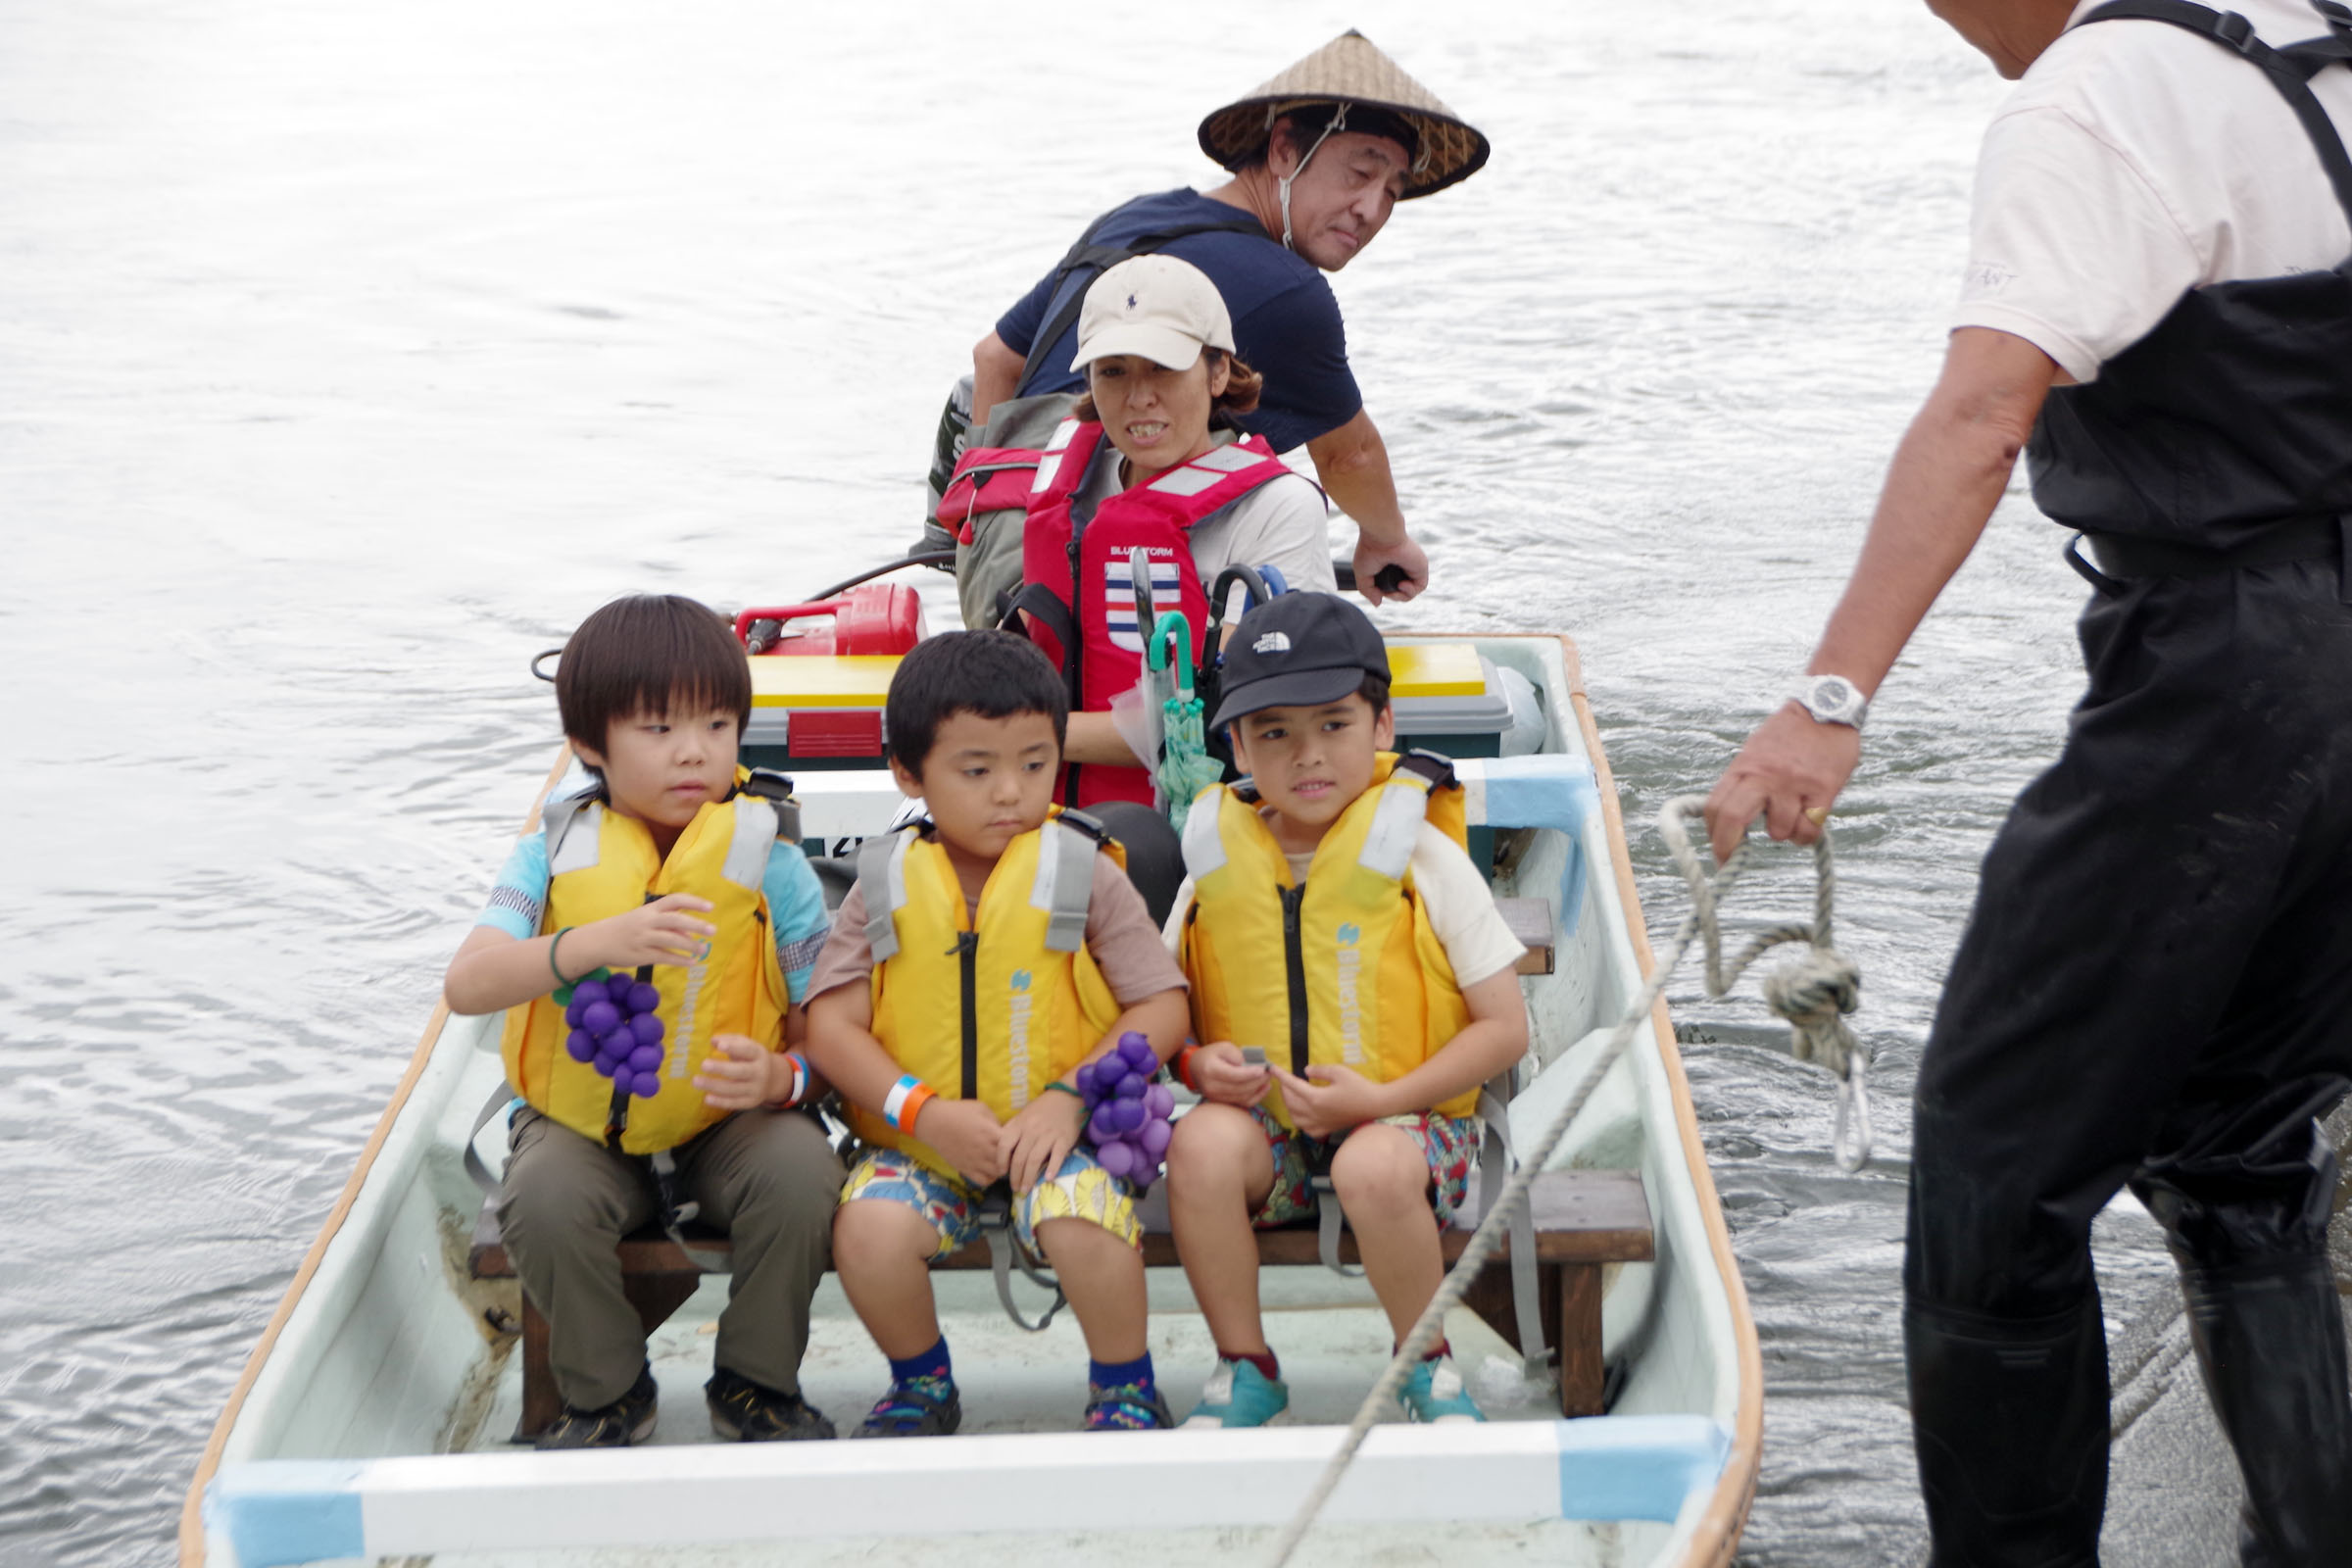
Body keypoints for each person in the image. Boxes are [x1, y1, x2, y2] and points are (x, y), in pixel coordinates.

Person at [1702, 1, 2352, 1561]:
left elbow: (1985, 411)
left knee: (1994, 1180)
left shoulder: (2096, 94)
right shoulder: (2318, 45)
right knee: (2241, 1143)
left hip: (2230, 670)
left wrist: (1823, 704)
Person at [442, 594, 845, 1447]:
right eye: (658, 730)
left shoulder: (773, 864)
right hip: (582, 1127)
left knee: (802, 1175)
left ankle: (756, 1383)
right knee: (543, 1199)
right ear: (591, 744)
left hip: (723, 1125)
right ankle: (610, 1394)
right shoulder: (547, 857)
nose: (694, 751)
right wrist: (588, 942)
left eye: (716, 723)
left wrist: (786, 1077)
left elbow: (829, 1020)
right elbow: (471, 984)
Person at [939, 29, 1491, 625]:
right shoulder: (1291, 291)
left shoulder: (1138, 219)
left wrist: (982, 520)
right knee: (1281, 498)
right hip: (1083, 576)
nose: (1373, 210)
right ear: (1283, 150)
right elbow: (1348, 455)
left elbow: (994, 358)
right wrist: (1387, 542)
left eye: (1393, 191)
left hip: (996, 557)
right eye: (1360, 173)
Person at [802, 630, 1192, 1436]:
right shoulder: (880, 885)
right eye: (976, 771)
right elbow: (833, 1029)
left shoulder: (1087, 871)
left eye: (1035, 764)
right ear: (909, 773)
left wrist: (1067, 1101)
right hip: (917, 1142)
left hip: (1063, 1140)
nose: (1011, 793)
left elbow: (1161, 1009)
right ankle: (921, 1384)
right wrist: (923, 1112)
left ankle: (1125, 1386)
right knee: (867, 1230)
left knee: (1082, 1218)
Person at [1157, 593, 1530, 1428]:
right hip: (1273, 1138)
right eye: (1275, 733)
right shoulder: (1215, 861)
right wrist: (1193, 1066)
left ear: (1383, 725)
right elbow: (1169, 1020)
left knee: (1370, 1163)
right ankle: (1244, 1366)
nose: (1307, 756)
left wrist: (1378, 1102)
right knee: (1199, 1146)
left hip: (1410, 1130)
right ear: (1239, 747)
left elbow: (1506, 1029)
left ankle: (1423, 1363)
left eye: (1333, 724)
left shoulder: (1423, 856)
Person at [998, 253, 1335, 816]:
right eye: (1113, 371)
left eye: (1162, 367)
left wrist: (1012, 736)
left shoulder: (1280, 509)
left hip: (1212, 817)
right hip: (1044, 799)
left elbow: (1247, 711)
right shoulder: (1070, 490)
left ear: (1218, 371)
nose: (1138, 397)